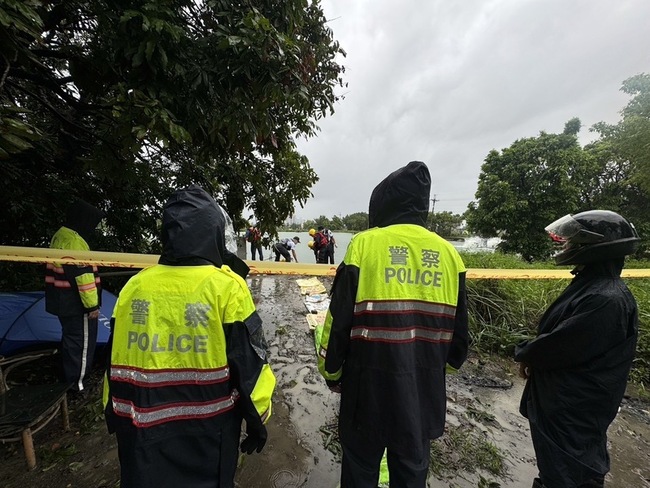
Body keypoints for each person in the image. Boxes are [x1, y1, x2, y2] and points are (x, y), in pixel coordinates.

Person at [103, 185, 276, 488]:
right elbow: (251, 367)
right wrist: (258, 419)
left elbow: (114, 360)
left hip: (140, 434)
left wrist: (112, 413)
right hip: (208, 437)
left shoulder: (133, 288)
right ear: (215, 233)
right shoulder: (226, 288)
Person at [317, 161, 469, 488]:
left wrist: (332, 373)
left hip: (366, 389)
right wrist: (433, 374)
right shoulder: (450, 256)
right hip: (422, 393)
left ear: (382, 203)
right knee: (412, 470)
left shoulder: (364, 246)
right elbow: (459, 344)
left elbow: (337, 323)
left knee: (360, 468)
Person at [515, 210, 640, 488]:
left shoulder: (606, 298)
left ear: (592, 248)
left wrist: (526, 352)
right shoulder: (593, 285)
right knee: (559, 469)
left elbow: (563, 343)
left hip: (574, 408)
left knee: (570, 473)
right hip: (566, 404)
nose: (566, 246)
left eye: (572, 242)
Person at [45, 198, 105, 392]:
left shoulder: (59, 236)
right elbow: (83, 277)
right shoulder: (74, 242)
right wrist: (91, 306)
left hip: (62, 302)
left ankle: (69, 380)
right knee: (83, 345)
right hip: (77, 305)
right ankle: (78, 386)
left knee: (71, 342)